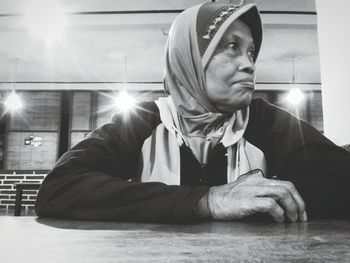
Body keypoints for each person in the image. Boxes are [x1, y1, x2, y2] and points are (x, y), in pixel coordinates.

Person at [35, 2, 350, 224]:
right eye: (231, 47)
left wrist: (270, 197)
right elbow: (58, 189)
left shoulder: (267, 121)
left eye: (251, 51)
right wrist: (208, 201)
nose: (250, 64)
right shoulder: (140, 122)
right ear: (188, 58)